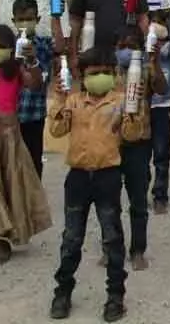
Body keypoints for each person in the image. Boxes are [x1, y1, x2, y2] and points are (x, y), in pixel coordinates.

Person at [47, 47, 129, 322]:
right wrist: (58, 98)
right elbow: (57, 130)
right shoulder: (73, 101)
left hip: (108, 176)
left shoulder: (120, 101)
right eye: (95, 74)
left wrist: (135, 111)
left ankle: (115, 296)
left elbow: (133, 133)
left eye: (107, 72)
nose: (102, 78)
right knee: (71, 239)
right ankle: (63, 293)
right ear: (82, 76)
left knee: (112, 237)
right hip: (78, 177)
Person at [0, 24, 52, 265]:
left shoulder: (15, 72)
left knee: (10, 186)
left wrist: (32, 60)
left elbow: (36, 83)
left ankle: (6, 240)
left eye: (2, 47)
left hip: (9, 135)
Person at [107, 25, 167, 271]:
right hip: (111, 141)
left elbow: (162, 88)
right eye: (121, 46)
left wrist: (154, 62)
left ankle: (138, 250)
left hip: (139, 142)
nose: (125, 51)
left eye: (131, 46)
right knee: (109, 201)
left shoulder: (145, 68)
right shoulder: (106, 71)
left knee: (138, 200)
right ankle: (110, 247)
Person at [12, 0, 64, 179]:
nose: (25, 23)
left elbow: (59, 46)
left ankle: (34, 203)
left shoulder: (43, 44)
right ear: (14, 21)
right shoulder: (8, 45)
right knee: (11, 163)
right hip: (12, 116)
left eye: (30, 19)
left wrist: (56, 16)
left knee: (33, 163)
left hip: (34, 114)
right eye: (21, 19)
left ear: (37, 19)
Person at [147, 15, 170, 213]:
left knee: (161, 155)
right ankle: (139, 194)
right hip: (142, 109)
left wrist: (169, 16)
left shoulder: (166, 51)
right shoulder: (141, 50)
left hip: (162, 108)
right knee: (140, 157)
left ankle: (160, 196)